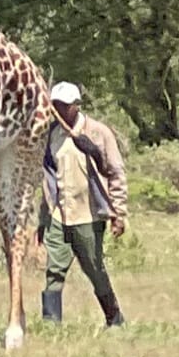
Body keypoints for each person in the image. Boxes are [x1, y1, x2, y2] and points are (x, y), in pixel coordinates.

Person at [38, 80, 127, 327]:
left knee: (95, 270)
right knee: (54, 271)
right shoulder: (51, 135)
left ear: (76, 106)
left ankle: (115, 318)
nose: (60, 110)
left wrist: (118, 213)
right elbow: (48, 180)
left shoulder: (98, 132)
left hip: (88, 215)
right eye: (55, 105)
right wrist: (42, 219)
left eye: (65, 105)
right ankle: (50, 324)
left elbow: (116, 173)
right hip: (59, 215)